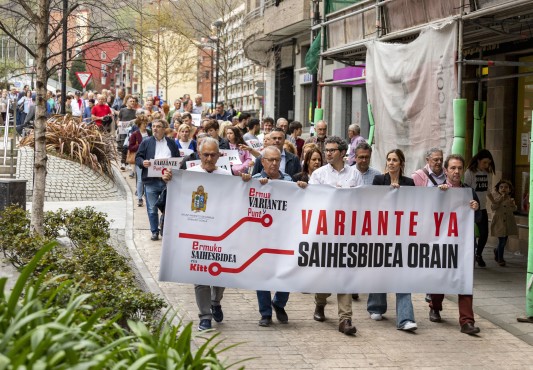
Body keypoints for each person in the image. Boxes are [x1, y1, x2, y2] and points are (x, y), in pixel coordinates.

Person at [163, 137, 232, 331]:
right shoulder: (189, 174)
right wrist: (169, 179)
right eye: (205, 155)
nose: (209, 158)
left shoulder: (227, 175)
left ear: (219, 155)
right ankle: (205, 316)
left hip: (221, 235)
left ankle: (216, 301)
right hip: (198, 235)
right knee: (200, 276)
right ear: (199, 155)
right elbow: (178, 197)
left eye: (213, 154)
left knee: (220, 275)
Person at [308, 136, 363, 335]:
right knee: (325, 274)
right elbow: (311, 200)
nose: (328, 153)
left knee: (344, 274)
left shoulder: (355, 174)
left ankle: (345, 320)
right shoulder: (319, 174)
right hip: (325, 232)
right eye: (326, 150)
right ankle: (320, 302)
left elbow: (361, 200)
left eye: (332, 150)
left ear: (342, 152)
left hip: (346, 232)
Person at [252, 146, 306, 327]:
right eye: (271, 160)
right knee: (261, 275)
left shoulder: (288, 180)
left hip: (284, 235)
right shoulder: (254, 181)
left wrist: (301, 189)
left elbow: (298, 203)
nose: (275, 163)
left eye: (277, 160)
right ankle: (265, 313)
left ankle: (279, 303)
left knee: (287, 272)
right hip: (261, 236)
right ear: (263, 162)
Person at [429, 154, 481, 335]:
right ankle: (434, 306)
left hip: (463, 245)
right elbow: (428, 216)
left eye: (459, 168)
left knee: (464, 280)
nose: (456, 171)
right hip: (442, 244)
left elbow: (479, 218)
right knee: (440, 278)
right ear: (445, 170)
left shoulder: (469, 192)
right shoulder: (437, 190)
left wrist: (475, 208)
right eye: (452, 168)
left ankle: (467, 321)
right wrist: (438, 196)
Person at [367, 149, 417, 332]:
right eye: (389, 159)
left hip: (402, 235)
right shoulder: (379, 180)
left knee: (402, 275)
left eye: (395, 160)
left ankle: (405, 318)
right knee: (380, 270)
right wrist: (388, 192)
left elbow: (416, 206)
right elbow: (373, 202)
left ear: (401, 163)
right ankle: (376, 306)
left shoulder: (409, 183)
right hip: (381, 233)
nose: (391, 163)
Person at [135, 119, 180, 240]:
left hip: (168, 181)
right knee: (152, 208)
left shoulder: (171, 143)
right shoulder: (146, 142)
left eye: (158, 126)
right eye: (153, 126)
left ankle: (164, 226)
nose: (155, 128)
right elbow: (138, 157)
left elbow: (177, 160)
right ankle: (154, 231)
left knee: (167, 207)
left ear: (164, 128)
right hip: (151, 181)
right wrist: (142, 162)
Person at [464, 149, 495, 268]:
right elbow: (466, 189)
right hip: (471, 208)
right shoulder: (470, 172)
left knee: (484, 233)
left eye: (488, 163)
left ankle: (479, 254)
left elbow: (487, 190)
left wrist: (494, 201)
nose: (487, 165)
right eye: (484, 163)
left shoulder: (488, 173)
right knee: (469, 234)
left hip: (482, 208)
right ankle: (469, 255)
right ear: (478, 161)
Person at [490, 179, 518, 266]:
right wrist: (499, 200)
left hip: (508, 222)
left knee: (504, 241)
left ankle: (497, 250)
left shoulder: (510, 199)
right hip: (499, 223)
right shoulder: (496, 197)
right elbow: (493, 207)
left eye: (506, 187)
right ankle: (500, 259)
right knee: (502, 241)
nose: (503, 189)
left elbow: (514, 209)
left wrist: (513, 205)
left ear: (509, 189)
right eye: (501, 187)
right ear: (498, 189)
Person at [129, 115, 151, 207]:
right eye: (143, 123)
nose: (145, 125)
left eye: (146, 123)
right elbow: (130, 147)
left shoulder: (149, 132)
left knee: (149, 178)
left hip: (149, 158)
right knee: (140, 179)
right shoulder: (135, 134)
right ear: (139, 124)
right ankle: (139, 198)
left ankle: (147, 195)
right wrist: (141, 145)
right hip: (140, 158)